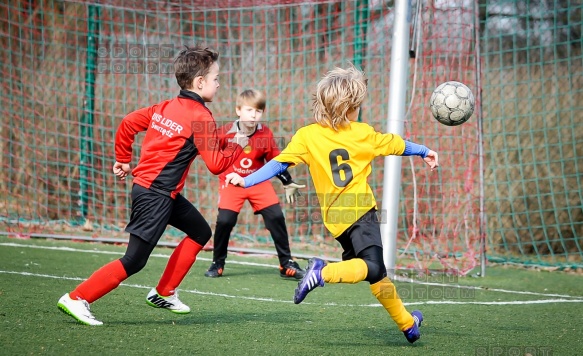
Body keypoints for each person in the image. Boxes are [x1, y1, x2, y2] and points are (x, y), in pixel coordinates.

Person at [225, 65, 439, 344]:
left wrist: (247, 180)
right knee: (372, 267)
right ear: (351, 107)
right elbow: (396, 144)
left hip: (336, 221)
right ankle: (321, 272)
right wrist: (424, 150)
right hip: (361, 212)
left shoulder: (307, 136)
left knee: (377, 274)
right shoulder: (363, 133)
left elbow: (278, 165)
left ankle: (408, 324)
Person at [57, 45, 249, 326]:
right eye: (216, 78)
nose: (219, 84)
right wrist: (236, 145)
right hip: (156, 196)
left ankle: (164, 292)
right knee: (134, 261)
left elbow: (128, 123)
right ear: (199, 82)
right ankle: (77, 297)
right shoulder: (201, 116)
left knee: (199, 231)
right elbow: (217, 165)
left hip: (156, 191)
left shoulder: (167, 106)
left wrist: (124, 160)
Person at [204, 89, 306, 280]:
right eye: (249, 110)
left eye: (258, 111)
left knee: (276, 216)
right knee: (225, 220)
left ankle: (286, 263)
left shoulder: (265, 133)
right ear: (238, 110)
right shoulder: (224, 133)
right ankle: (218, 262)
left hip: (257, 182)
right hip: (232, 182)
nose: (254, 115)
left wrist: (288, 181)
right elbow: (212, 156)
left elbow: (275, 162)